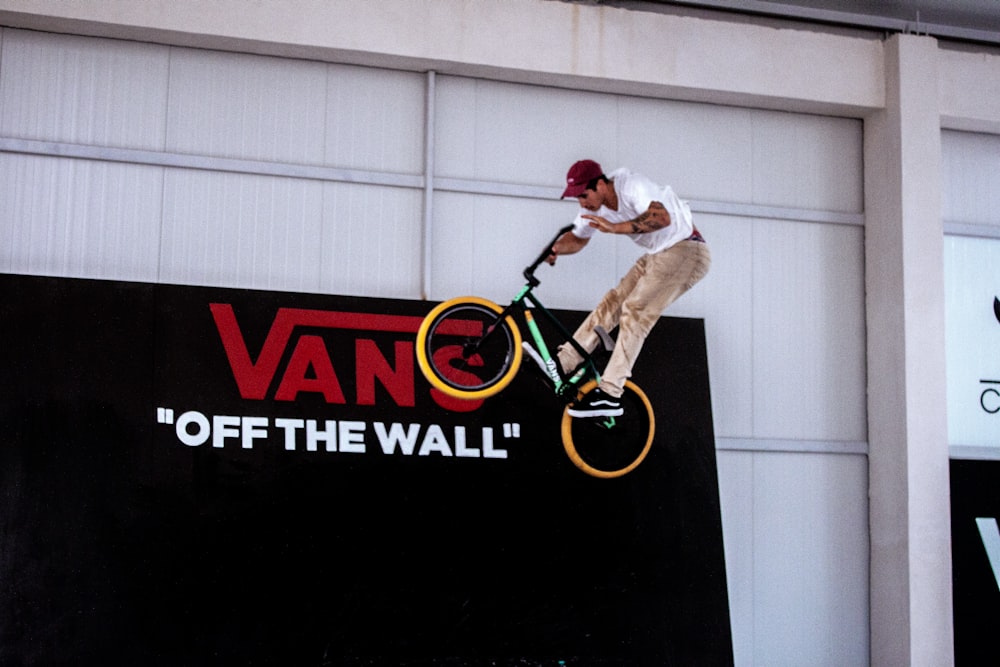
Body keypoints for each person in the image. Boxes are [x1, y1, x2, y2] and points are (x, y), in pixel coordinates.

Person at [549, 159, 711, 418]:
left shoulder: (632, 186)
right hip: (657, 254)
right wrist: (556, 248)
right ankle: (564, 362)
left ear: (601, 184)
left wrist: (615, 227)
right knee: (612, 302)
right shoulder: (592, 207)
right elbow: (578, 238)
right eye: (576, 198)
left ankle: (611, 394)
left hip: (687, 249)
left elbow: (661, 216)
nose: (581, 203)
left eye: (584, 195)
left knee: (635, 311)